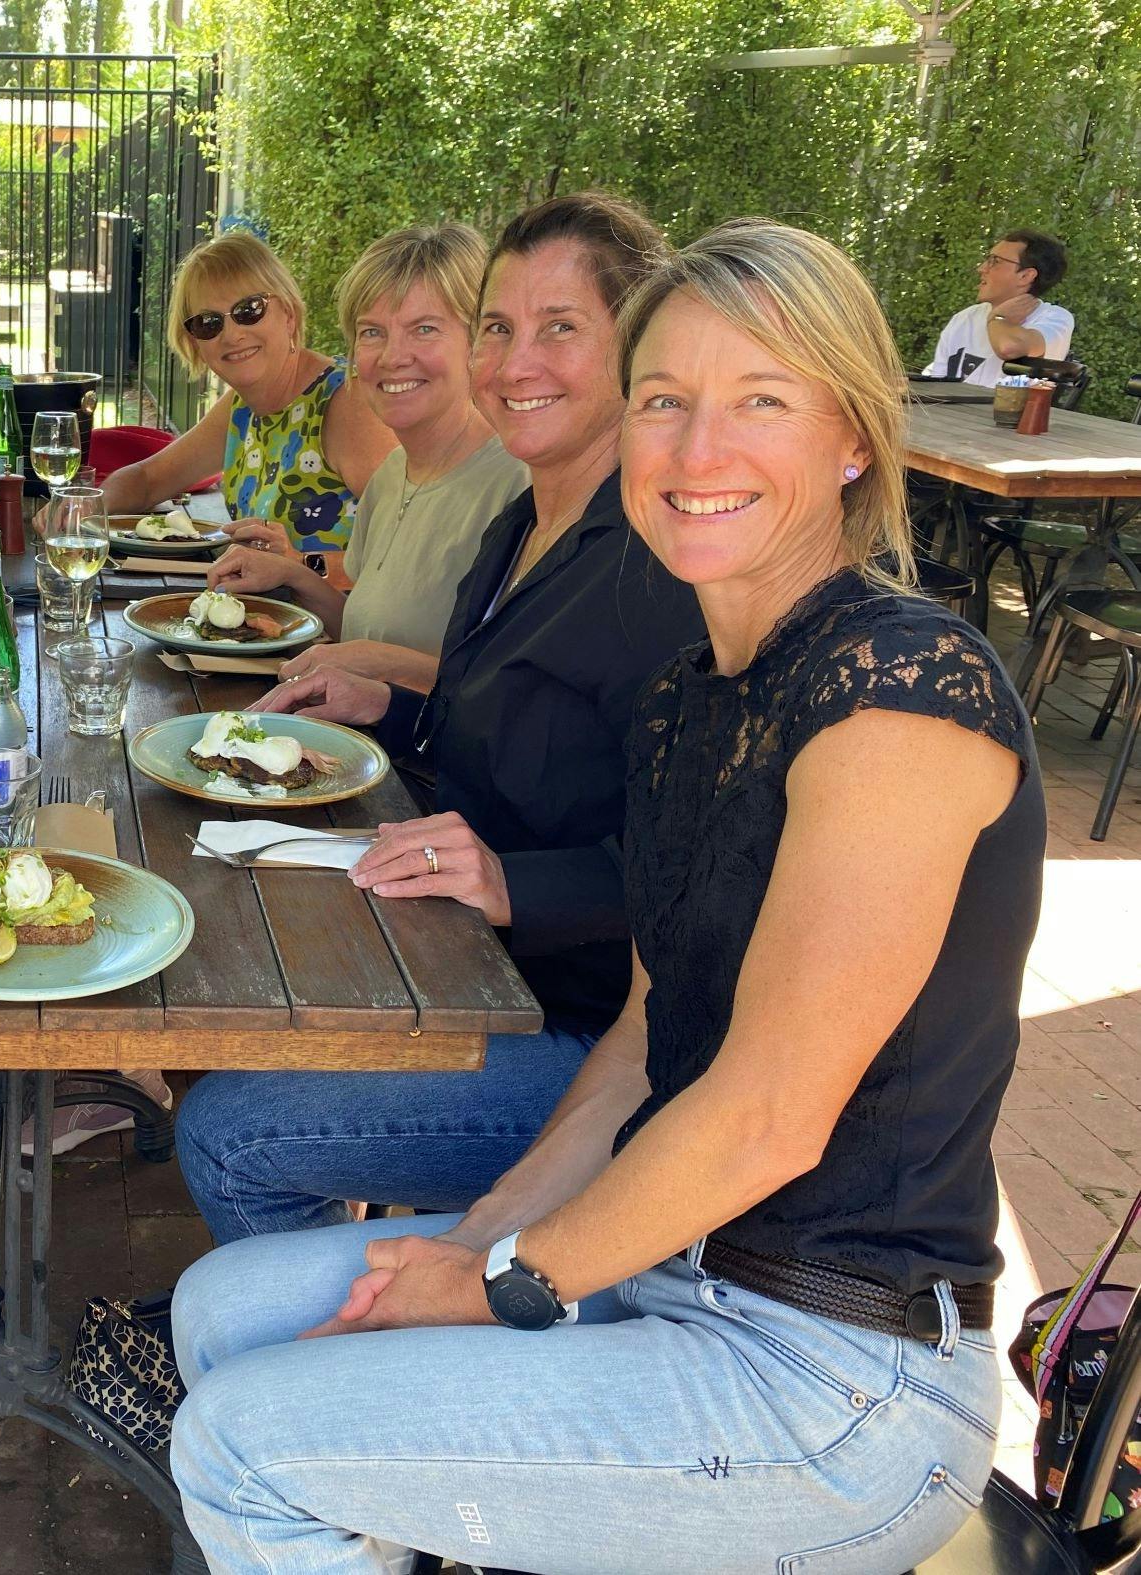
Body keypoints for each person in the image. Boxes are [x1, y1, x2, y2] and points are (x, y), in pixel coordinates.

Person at [169, 217, 1041, 1575]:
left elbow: (765, 1116)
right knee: (221, 1309)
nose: (697, 450)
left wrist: (499, 1281)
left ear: (853, 439)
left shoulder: (900, 692)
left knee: (239, 1442)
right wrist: (466, 1246)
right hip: (674, 1261)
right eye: (664, 402)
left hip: (837, 1369)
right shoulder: (696, 695)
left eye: (761, 401)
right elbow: (641, 1043)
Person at [175, 192, 704, 1245]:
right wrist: (394, 707)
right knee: (214, 945)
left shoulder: (663, 567)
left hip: (582, 1033)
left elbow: (698, 874)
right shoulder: (523, 526)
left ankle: (373, 1324)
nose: (516, 362)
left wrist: (510, 883)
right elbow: (508, 739)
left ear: (639, 348)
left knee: (228, 1130)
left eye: (561, 328)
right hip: (462, 957)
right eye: (499, 328)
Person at [205, 224, 528, 689]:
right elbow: (362, 631)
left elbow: (510, 691)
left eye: (424, 329)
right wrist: (294, 574)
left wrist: (381, 665)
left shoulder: (518, 487)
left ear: (477, 342)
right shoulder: (392, 473)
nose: (393, 356)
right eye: (372, 332)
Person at [98, 229, 396, 566]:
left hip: (339, 603)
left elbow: (412, 553)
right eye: (208, 323)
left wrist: (299, 564)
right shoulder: (241, 408)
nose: (232, 335)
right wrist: (82, 510)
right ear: (194, 341)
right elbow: (148, 480)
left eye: (249, 310)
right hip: (258, 600)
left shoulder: (346, 402)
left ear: (289, 314)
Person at [922, 228, 1074, 386]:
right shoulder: (965, 319)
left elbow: (1008, 348)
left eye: (995, 261)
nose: (981, 269)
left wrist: (998, 319)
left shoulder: (1054, 319)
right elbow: (935, 384)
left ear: (1025, 276)